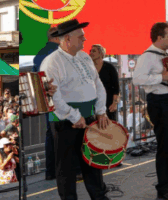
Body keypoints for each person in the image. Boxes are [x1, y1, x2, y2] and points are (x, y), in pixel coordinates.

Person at [40, 19, 109, 200]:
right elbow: (54, 97)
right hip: (65, 121)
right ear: (68, 39)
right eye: (81, 37)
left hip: (88, 116)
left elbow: (97, 84)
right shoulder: (52, 62)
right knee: (66, 168)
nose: (85, 40)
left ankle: (99, 197)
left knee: (93, 161)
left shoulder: (84, 57)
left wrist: (101, 110)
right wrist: (74, 116)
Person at [132, 22, 168, 200]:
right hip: (160, 103)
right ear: (159, 38)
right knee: (165, 146)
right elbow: (137, 79)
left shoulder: (165, 55)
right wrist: (161, 77)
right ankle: (163, 187)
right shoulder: (147, 56)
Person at [33, 27, 60, 182]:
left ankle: (50, 171)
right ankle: (66, 171)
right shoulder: (60, 53)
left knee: (50, 134)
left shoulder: (39, 55)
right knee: (63, 135)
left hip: (45, 100)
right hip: (60, 98)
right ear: (58, 37)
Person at [88, 45, 119, 122]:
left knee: (109, 129)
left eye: (94, 51)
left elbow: (116, 88)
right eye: (90, 51)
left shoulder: (110, 68)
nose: (91, 53)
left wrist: (114, 103)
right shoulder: (88, 68)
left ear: (101, 54)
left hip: (108, 105)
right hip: (92, 104)